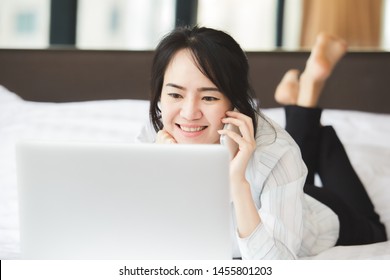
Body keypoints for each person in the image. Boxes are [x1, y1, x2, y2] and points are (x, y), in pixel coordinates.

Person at [136, 26, 387, 259]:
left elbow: (273, 265)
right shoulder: (156, 131)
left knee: (375, 228)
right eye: (175, 94)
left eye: (209, 97)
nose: (189, 113)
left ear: (234, 101)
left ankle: (309, 97)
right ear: (159, 94)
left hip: (323, 216)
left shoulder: (277, 151)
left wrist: (236, 180)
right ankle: (304, 100)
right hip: (280, 194)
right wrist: (165, 168)